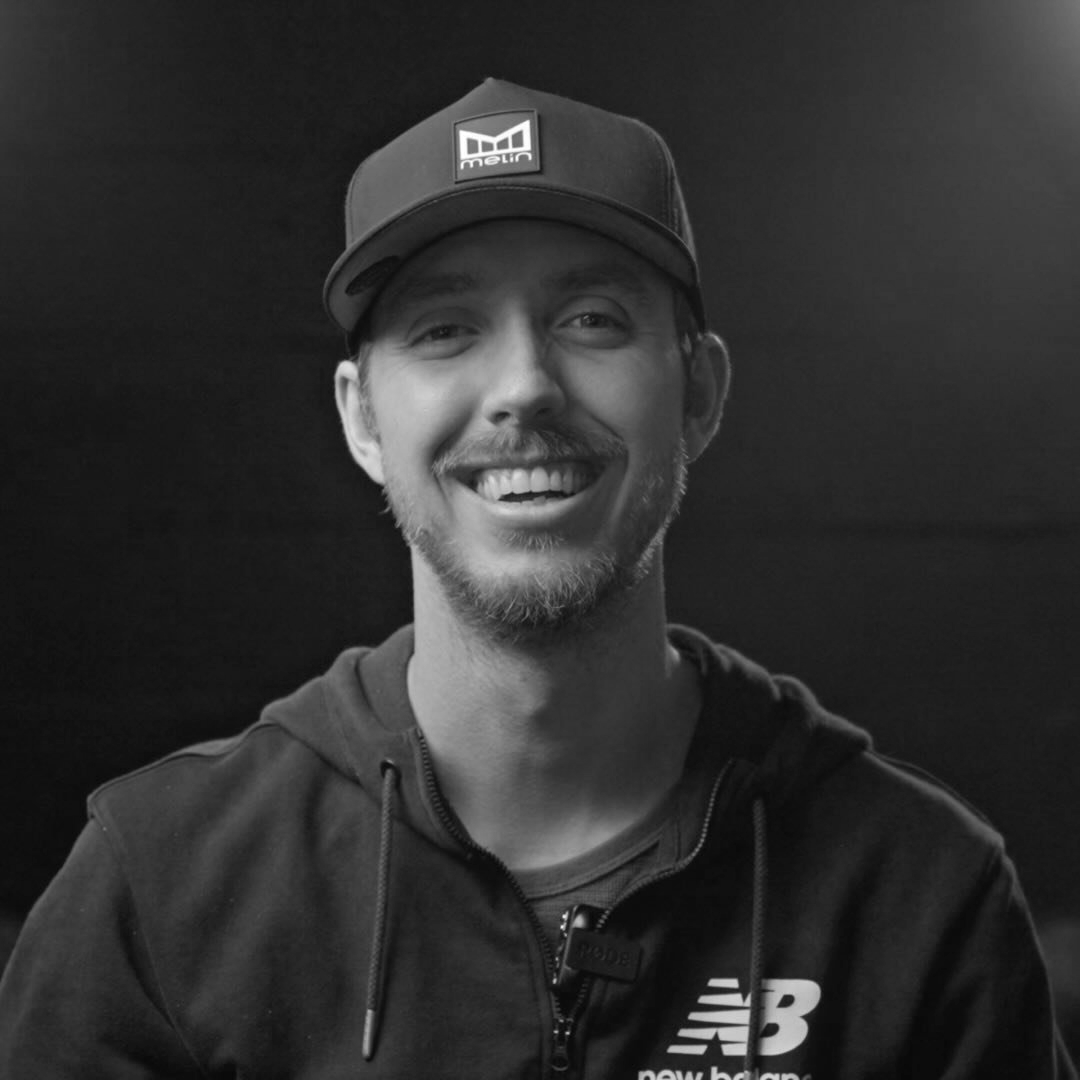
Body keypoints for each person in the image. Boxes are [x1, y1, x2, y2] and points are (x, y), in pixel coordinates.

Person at [0, 77, 1073, 1080]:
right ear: (361, 417)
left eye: (590, 320)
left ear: (698, 392)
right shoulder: (160, 883)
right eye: (445, 329)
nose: (522, 385)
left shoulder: (918, 896)